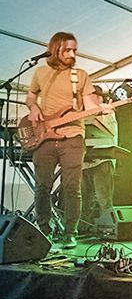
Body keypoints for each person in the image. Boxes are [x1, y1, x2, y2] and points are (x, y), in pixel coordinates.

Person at [26, 32, 112, 249]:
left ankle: (70, 233)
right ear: (55, 49)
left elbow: (89, 105)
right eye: (67, 50)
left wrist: (100, 109)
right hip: (44, 137)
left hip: (73, 138)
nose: (72, 54)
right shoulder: (41, 72)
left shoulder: (80, 75)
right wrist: (34, 108)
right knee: (42, 187)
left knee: (72, 187)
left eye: (74, 50)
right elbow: (31, 96)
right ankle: (43, 230)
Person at [80, 85, 118, 236]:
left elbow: (107, 133)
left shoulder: (107, 111)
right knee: (83, 198)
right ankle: (82, 228)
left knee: (103, 198)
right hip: (84, 161)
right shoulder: (82, 113)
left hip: (102, 160)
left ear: (98, 97)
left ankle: (108, 229)